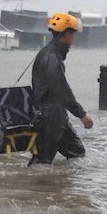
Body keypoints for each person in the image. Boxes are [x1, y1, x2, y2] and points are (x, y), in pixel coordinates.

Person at [28, 13, 94, 165]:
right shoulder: (52, 58)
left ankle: (60, 184)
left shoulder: (48, 53)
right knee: (41, 162)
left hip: (56, 116)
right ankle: (36, 187)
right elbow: (61, 90)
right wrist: (81, 114)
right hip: (50, 118)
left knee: (77, 152)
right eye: (73, 34)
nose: (74, 38)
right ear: (66, 34)